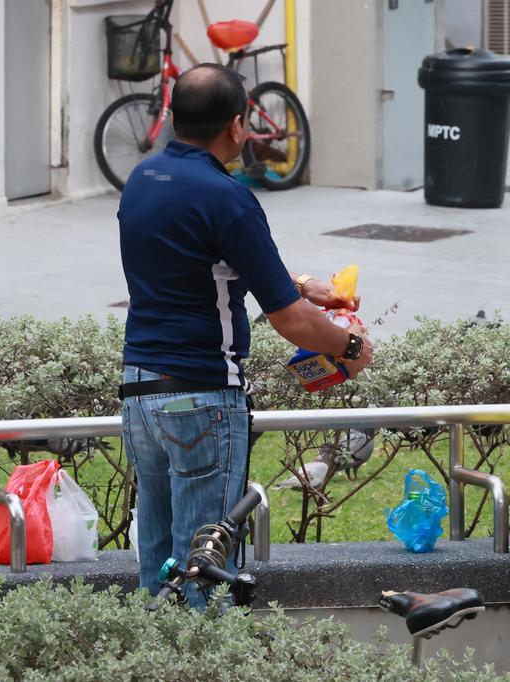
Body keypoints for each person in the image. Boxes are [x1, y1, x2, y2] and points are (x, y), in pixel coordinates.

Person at [118, 64, 373, 607]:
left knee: (158, 572)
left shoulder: (143, 178)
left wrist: (303, 283)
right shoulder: (226, 196)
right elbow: (290, 321)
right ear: (236, 126)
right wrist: (350, 347)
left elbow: (197, 261)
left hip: (138, 393)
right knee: (204, 574)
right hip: (201, 396)